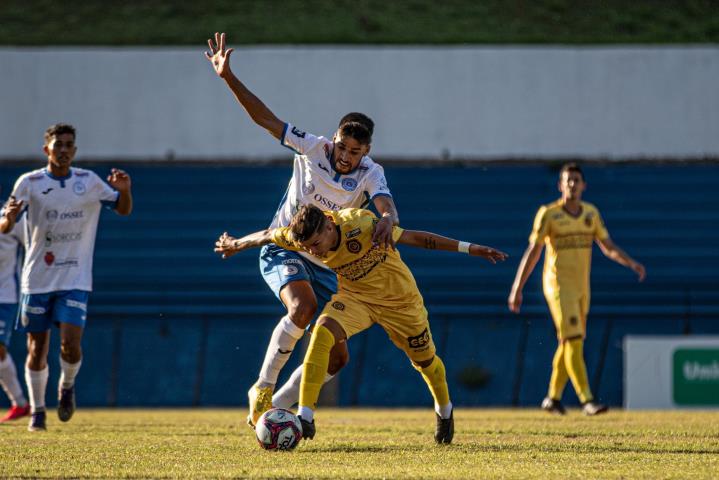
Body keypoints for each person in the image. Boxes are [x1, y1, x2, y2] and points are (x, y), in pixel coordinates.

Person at [205, 32, 401, 427]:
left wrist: (386, 219)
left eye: (355, 153)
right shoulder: (312, 148)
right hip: (286, 246)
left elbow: (385, 203)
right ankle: (261, 386)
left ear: (366, 152)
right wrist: (228, 77)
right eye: (343, 147)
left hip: (329, 261)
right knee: (303, 307)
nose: (346, 158)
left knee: (337, 356)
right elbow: (265, 119)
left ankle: (275, 406)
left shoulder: (371, 173)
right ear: (335, 139)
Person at [215, 204, 508, 443]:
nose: (314, 253)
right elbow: (267, 235)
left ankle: (444, 410)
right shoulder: (300, 237)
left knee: (426, 362)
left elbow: (417, 239)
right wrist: (235, 245)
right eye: (308, 248)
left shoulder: (364, 225)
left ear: (330, 225)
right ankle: (305, 415)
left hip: (401, 303)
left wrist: (471, 248)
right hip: (355, 299)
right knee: (321, 333)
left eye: (316, 245)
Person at [0, 123, 133, 431]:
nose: (63, 150)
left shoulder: (88, 181)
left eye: (68, 145)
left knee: (70, 345)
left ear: (75, 150)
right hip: (37, 280)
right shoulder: (29, 182)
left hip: (75, 278)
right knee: (37, 349)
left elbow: (123, 210)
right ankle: (37, 411)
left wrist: (125, 192)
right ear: (46, 149)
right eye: (57, 144)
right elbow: (6, 227)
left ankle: (67, 385)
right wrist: (7, 217)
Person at [508, 163, 645, 416]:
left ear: (584, 185)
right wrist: (518, 287)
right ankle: (587, 400)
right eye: (567, 180)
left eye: (576, 180)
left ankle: (553, 398)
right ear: (560, 185)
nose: (572, 184)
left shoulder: (590, 213)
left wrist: (631, 262)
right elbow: (533, 252)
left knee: (570, 341)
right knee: (573, 339)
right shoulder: (549, 214)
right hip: (558, 287)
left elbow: (607, 246)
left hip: (582, 288)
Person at [0, 197, 29, 423]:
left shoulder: (10, 215)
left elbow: (32, 244)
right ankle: (20, 403)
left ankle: (20, 403)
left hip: (5, 295)